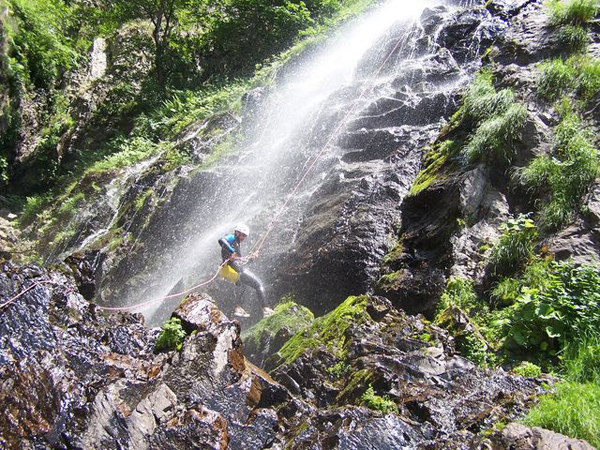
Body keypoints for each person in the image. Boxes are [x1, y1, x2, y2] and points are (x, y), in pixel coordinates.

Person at [218, 224, 273, 317]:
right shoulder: (232, 238)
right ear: (237, 232)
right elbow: (221, 240)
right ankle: (266, 309)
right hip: (231, 267)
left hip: (229, 269)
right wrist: (232, 251)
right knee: (258, 285)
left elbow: (241, 263)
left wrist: (252, 259)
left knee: (243, 285)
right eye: (242, 235)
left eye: (245, 236)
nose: (243, 238)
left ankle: (238, 308)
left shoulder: (237, 244)